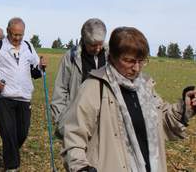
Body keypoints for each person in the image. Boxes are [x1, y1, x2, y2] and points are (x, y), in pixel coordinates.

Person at [62, 27, 196, 172]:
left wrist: (186, 107)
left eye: (141, 61)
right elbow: (73, 135)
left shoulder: (145, 87)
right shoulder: (94, 87)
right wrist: (80, 167)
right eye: (129, 61)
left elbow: (162, 122)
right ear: (111, 56)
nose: (136, 68)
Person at [0, 17, 47, 171]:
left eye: (20, 35)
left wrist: (41, 65)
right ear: (8, 31)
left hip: (24, 97)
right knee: (8, 132)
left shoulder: (28, 46)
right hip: (4, 97)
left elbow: (36, 70)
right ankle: (12, 167)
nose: (17, 38)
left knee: (22, 133)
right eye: (14, 35)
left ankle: (8, 154)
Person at [51, 18, 107, 136]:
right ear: (84, 40)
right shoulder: (71, 57)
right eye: (93, 45)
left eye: (100, 44)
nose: (97, 49)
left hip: (105, 121)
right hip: (77, 119)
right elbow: (60, 89)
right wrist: (61, 120)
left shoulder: (111, 57)